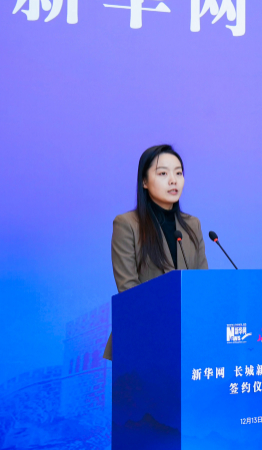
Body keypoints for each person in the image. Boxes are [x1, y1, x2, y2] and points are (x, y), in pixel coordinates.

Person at [102, 145, 208, 361]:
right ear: (144, 181)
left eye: (178, 173)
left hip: (187, 338)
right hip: (142, 338)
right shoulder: (127, 224)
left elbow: (202, 283)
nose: (173, 180)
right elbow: (129, 289)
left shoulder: (192, 225)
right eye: (163, 173)